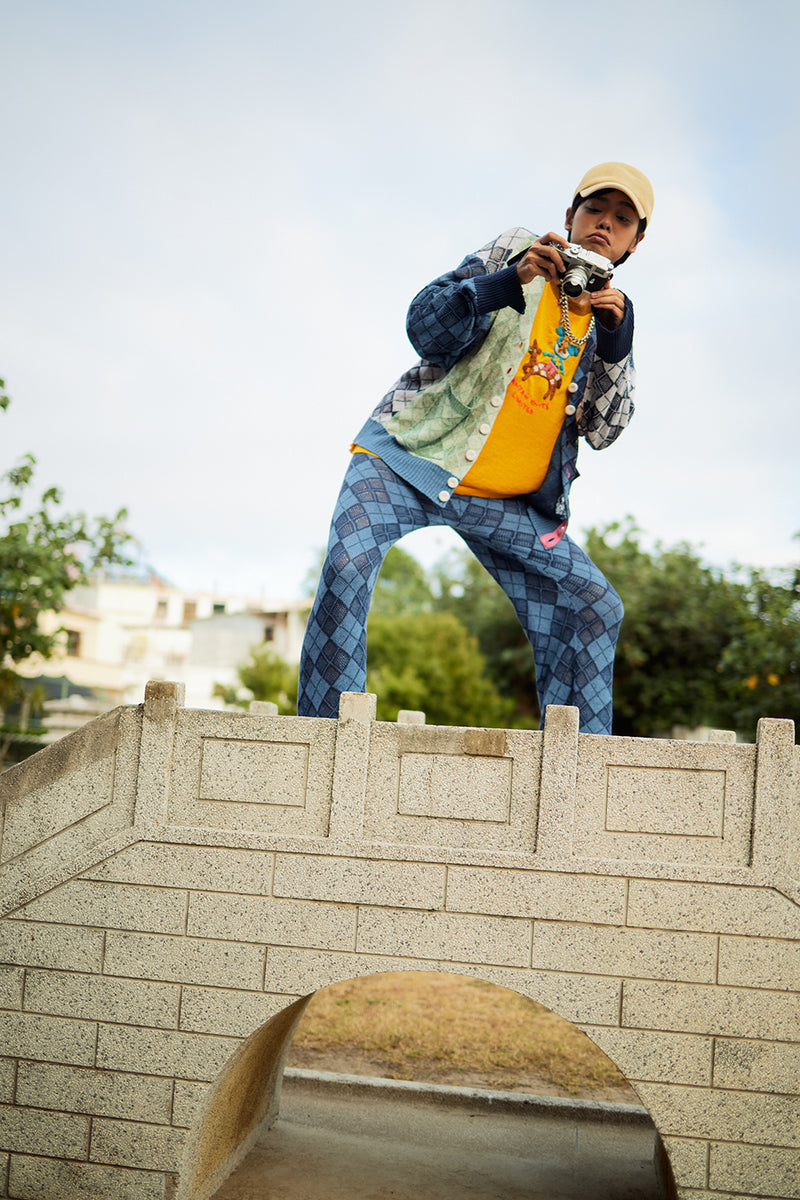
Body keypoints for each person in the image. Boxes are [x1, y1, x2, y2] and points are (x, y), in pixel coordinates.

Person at [298, 162, 653, 734]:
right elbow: (424, 327)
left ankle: (575, 766)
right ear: (570, 216)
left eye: (622, 219)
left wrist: (616, 344)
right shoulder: (518, 250)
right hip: (408, 459)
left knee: (592, 603)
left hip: (507, 504)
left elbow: (604, 432)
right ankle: (323, 740)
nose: (603, 225)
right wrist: (507, 282)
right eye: (594, 210)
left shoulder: (613, 317)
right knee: (346, 564)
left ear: (635, 242)